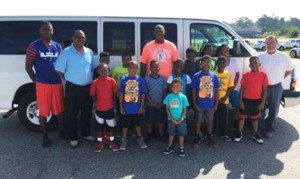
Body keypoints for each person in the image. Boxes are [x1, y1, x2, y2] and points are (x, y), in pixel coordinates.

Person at [25, 21, 65, 148]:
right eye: (45, 29)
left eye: (50, 30)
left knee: (59, 110)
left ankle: (62, 131)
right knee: (43, 111)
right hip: (43, 84)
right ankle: (45, 136)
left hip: (57, 83)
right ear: (40, 31)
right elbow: (28, 67)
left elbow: (62, 64)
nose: (48, 32)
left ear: (53, 31)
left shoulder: (58, 46)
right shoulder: (33, 46)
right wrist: (35, 80)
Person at [55, 29, 96, 148]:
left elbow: (91, 68)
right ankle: (72, 136)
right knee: (71, 113)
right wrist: (70, 78)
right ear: (73, 38)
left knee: (87, 111)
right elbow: (59, 70)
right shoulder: (66, 52)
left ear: (85, 39)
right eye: (77, 37)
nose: (80, 39)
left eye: (82, 37)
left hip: (87, 87)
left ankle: (86, 134)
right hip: (72, 87)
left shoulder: (89, 52)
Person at [258, 35, 292, 138]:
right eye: (268, 43)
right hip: (263, 87)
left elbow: (289, 70)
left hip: (276, 87)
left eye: (272, 43)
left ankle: (269, 129)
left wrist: (279, 78)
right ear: (265, 44)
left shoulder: (283, 56)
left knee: (274, 109)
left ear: (277, 44)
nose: (270, 45)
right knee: (261, 108)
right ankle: (260, 128)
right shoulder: (260, 57)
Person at [234, 56, 268, 144]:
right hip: (245, 99)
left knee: (255, 118)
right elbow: (242, 89)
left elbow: (264, 90)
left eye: (256, 62)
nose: (254, 65)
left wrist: (263, 103)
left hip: (257, 100)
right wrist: (241, 101)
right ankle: (239, 133)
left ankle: (255, 134)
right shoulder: (246, 75)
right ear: (249, 65)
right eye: (252, 63)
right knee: (242, 117)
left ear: (259, 64)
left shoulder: (263, 75)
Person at [190, 55, 220, 148]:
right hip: (199, 104)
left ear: (211, 64)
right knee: (198, 121)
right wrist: (194, 104)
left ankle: (209, 136)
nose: (206, 64)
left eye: (208, 62)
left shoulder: (214, 76)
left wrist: (216, 104)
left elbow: (216, 90)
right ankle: (197, 136)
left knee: (210, 121)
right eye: (204, 62)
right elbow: (194, 91)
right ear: (201, 63)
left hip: (210, 104)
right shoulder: (196, 76)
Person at [118, 60, 148, 151]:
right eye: (130, 67)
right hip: (126, 108)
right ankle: (124, 140)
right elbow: (120, 94)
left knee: (138, 124)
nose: (132, 69)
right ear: (127, 68)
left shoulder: (140, 80)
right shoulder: (123, 79)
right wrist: (121, 106)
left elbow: (143, 94)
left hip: (137, 108)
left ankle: (140, 139)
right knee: (125, 125)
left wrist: (141, 106)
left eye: (134, 68)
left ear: (137, 69)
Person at [90, 63, 119, 152]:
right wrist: (96, 102)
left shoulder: (112, 81)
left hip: (109, 108)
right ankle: (99, 141)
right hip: (99, 109)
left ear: (108, 71)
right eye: (101, 70)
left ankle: (112, 141)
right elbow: (92, 94)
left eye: (105, 70)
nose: (103, 72)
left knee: (111, 126)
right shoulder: (95, 82)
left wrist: (113, 103)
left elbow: (115, 93)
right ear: (98, 71)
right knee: (99, 127)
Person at [163, 78, 189, 157]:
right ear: (171, 87)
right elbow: (167, 108)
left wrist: (182, 118)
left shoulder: (183, 97)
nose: (175, 88)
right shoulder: (168, 96)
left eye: (178, 86)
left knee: (181, 134)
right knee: (171, 133)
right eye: (173, 86)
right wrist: (170, 118)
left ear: (181, 87)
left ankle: (181, 147)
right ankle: (169, 146)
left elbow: (185, 109)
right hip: (171, 119)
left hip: (181, 120)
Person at [144, 60, 168, 143]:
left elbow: (165, 90)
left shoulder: (162, 78)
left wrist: (162, 102)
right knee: (149, 120)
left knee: (161, 120)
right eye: (152, 66)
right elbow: (146, 92)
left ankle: (160, 134)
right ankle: (149, 134)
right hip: (150, 104)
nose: (154, 68)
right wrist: (152, 103)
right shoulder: (146, 79)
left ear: (159, 68)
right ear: (150, 68)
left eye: (156, 66)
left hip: (160, 103)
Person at [213, 56, 234, 141]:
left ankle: (223, 133)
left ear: (226, 64)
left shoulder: (228, 74)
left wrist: (225, 97)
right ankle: (212, 132)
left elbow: (230, 87)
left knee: (224, 118)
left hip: (224, 100)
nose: (222, 64)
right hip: (214, 100)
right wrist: (215, 99)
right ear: (217, 64)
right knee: (214, 117)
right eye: (220, 62)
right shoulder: (213, 74)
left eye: (224, 63)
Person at [218, 44, 240, 109]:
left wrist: (233, 87)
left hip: (232, 88)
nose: (225, 51)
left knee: (237, 100)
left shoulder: (233, 61)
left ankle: (236, 118)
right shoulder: (218, 62)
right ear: (220, 52)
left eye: (227, 50)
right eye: (224, 50)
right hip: (221, 89)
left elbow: (237, 76)